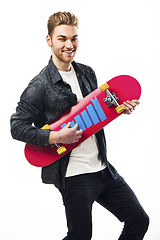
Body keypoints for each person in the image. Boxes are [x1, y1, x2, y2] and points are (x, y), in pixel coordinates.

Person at [10, 12, 149, 240]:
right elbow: (17, 127)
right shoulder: (39, 86)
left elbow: (98, 114)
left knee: (139, 220)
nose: (69, 45)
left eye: (74, 39)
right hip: (73, 175)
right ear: (49, 41)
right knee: (80, 236)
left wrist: (119, 110)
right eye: (62, 39)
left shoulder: (86, 72)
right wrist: (55, 137)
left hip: (102, 168)